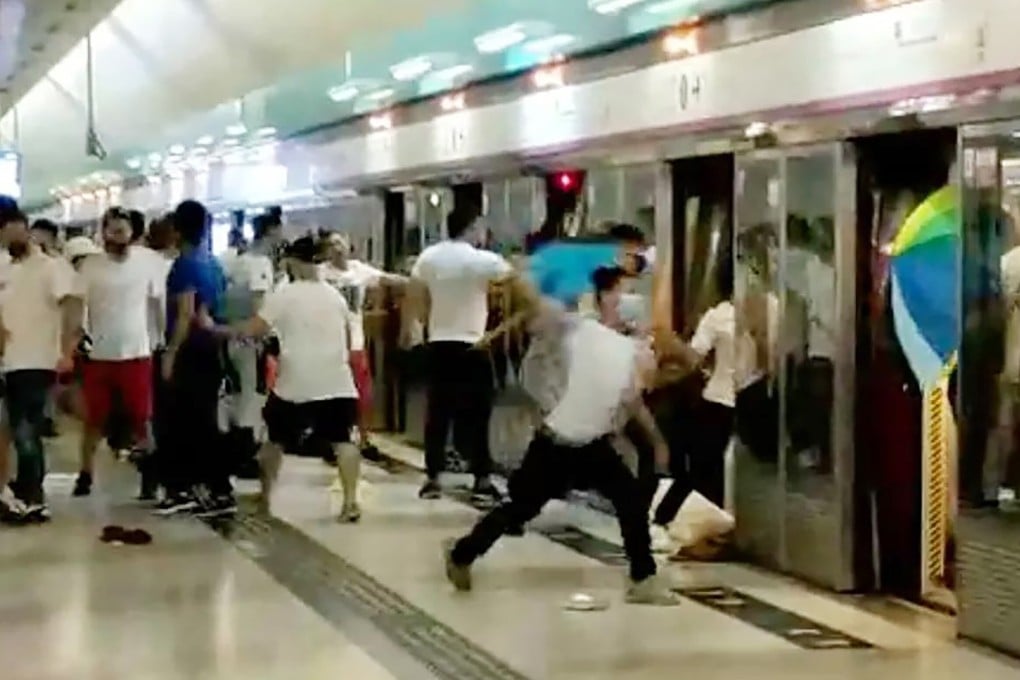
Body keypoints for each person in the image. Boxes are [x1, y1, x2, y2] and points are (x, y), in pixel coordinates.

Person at [443, 270, 681, 606]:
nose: (625, 303)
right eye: (617, 294)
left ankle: (643, 577)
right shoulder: (577, 329)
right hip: (555, 443)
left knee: (629, 500)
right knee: (520, 508)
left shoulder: (628, 350)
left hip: (593, 443)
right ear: (599, 298)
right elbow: (536, 309)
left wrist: (655, 440)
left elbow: (631, 400)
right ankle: (462, 554)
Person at [212, 236, 362, 519]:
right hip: (337, 379)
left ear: (293, 261)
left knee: (275, 439)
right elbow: (346, 338)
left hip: (296, 382)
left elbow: (255, 328)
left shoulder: (284, 294)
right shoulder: (334, 296)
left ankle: (266, 497)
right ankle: (351, 502)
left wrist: (216, 329)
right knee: (343, 440)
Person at [409, 208, 511, 505]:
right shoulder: (483, 260)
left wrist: (415, 329)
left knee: (438, 412)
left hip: (439, 343)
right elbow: (515, 279)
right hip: (473, 344)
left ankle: (433, 477)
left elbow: (415, 294)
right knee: (479, 413)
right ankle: (481, 478)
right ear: (473, 227)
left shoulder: (429, 257)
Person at [71, 208, 164, 498]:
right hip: (99, 353)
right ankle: (85, 474)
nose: (117, 237)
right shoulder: (90, 267)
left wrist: (159, 338)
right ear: (103, 233)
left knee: (141, 417)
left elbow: (156, 304)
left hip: (137, 351)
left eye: (122, 231)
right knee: (94, 419)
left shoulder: (149, 263)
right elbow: (77, 304)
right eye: (111, 231)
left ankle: (151, 476)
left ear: (132, 233)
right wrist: (77, 335)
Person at [650, 263, 737, 556]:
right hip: (744, 398)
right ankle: (709, 534)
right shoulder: (773, 309)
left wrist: (670, 342)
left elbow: (693, 357)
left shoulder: (719, 315)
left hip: (718, 399)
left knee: (702, 470)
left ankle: (670, 521)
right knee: (711, 470)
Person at [0, 210, 79, 521]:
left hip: (37, 359)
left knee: (26, 430)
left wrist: (67, 350)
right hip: (8, 361)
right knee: (12, 429)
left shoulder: (50, 268)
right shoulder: (4, 266)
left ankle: (33, 495)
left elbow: (72, 306)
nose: (10, 238)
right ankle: (22, 489)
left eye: (14, 231)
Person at [159, 200, 230, 516]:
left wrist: (171, 354)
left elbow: (186, 313)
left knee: (185, 420)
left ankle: (192, 487)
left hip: (189, 350)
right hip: (211, 348)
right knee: (205, 418)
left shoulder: (185, 265)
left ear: (176, 229)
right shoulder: (213, 264)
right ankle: (214, 488)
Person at [320, 232, 406, 461]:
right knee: (331, 396)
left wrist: (417, 279)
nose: (336, 248)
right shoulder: (320, 274)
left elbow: (388, 279)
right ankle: (331, 439)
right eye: (331, 244)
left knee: (362, 394)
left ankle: (365, 438)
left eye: (340, 242)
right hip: (328, 345)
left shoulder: (359, 271)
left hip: (355, 344)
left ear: (349, 245)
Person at [220, 214, 278, 477]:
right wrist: (261, 335)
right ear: (271, 231)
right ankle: (243, 453)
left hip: (233, 333)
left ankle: (234, 447)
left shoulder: (238, 261)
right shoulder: (259, 263)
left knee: (237, 392)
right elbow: (258, 300)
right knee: (250, 393)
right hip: (249, 337)